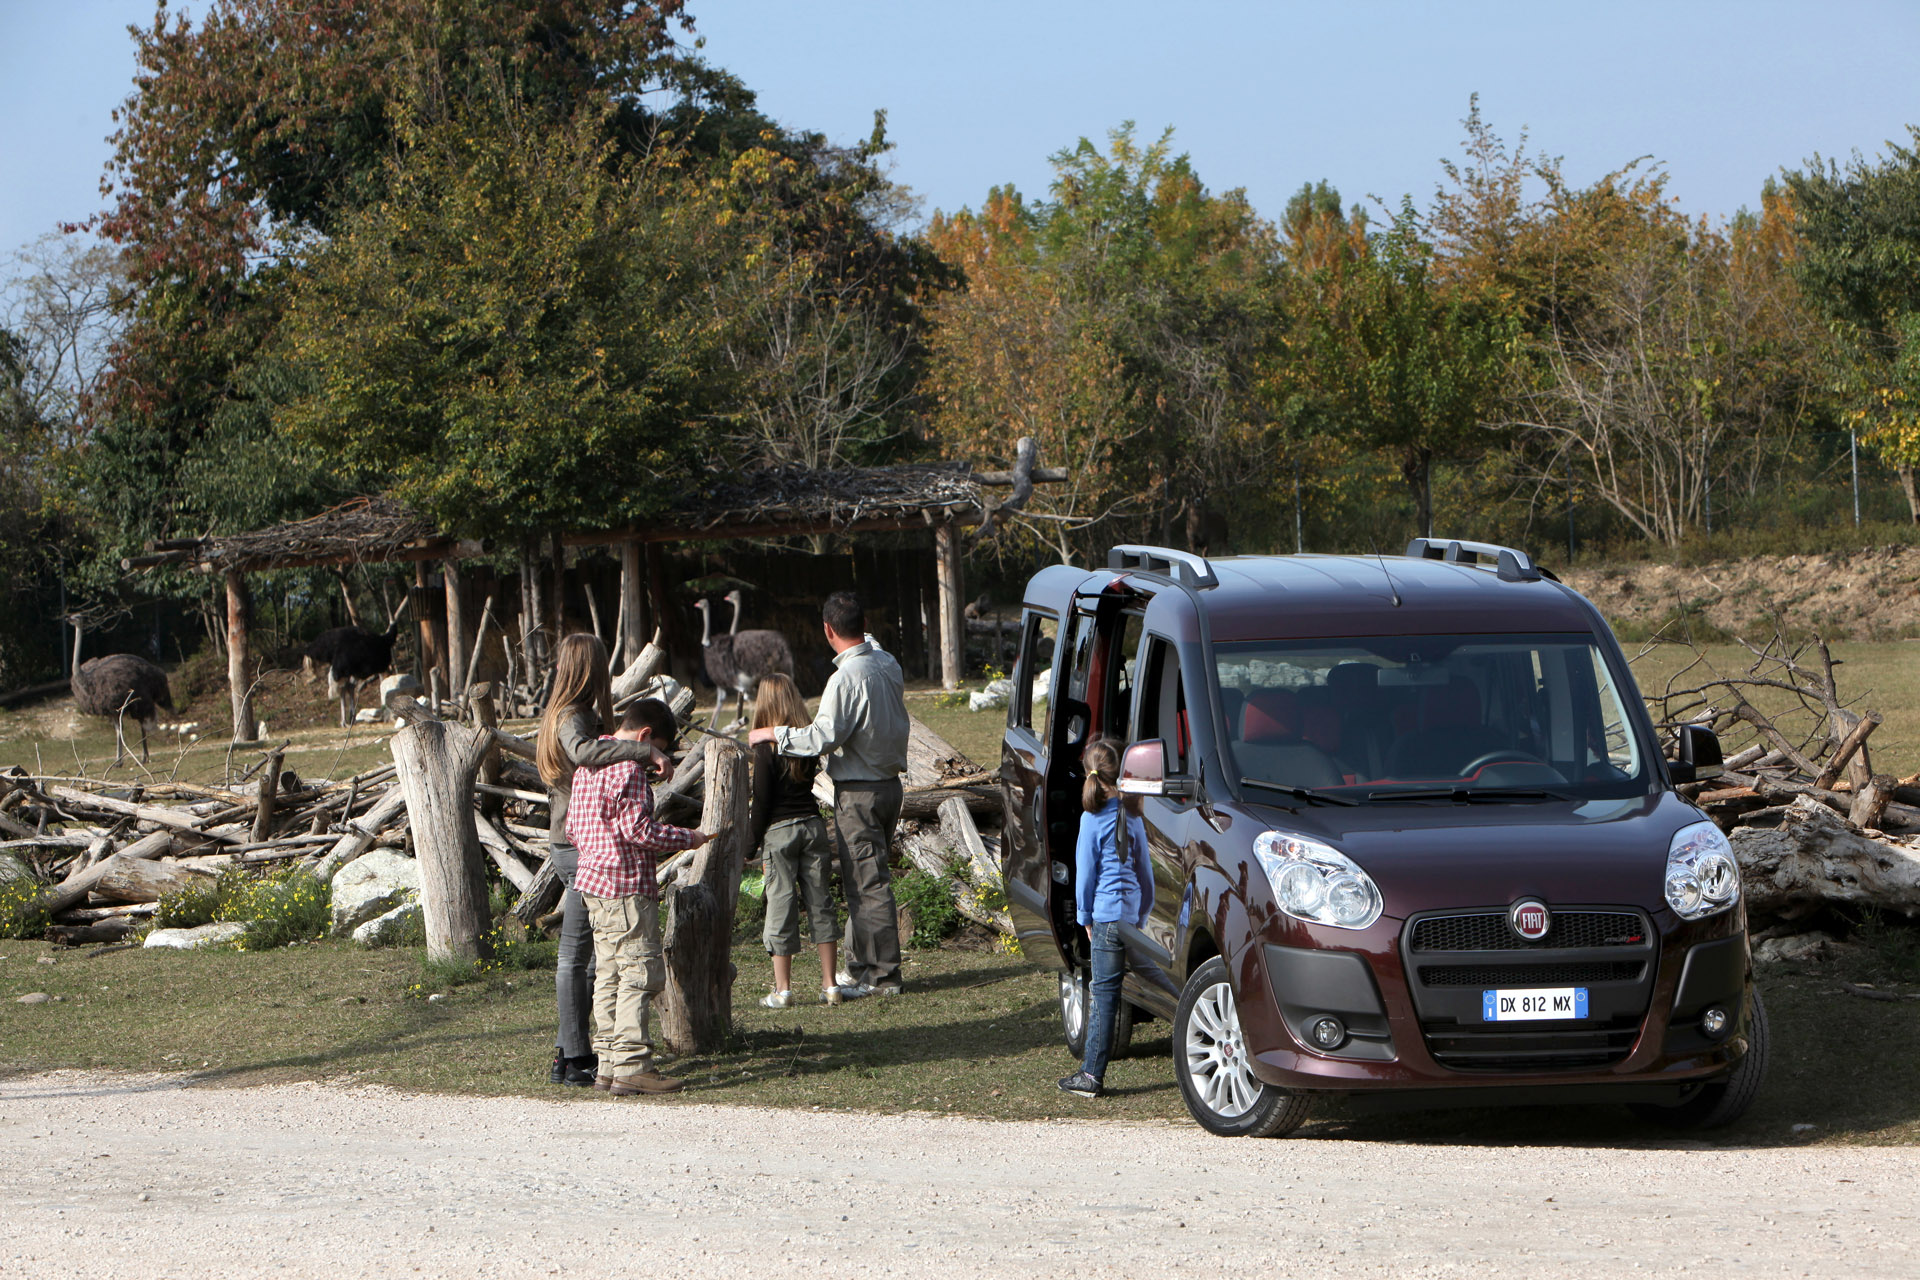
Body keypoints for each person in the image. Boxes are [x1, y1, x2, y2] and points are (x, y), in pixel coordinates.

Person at [748, 590, 908, 999]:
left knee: (867, 885)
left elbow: (823, 736)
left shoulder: (845, 678)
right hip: (890, 787)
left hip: (860, 792)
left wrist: (774, 734)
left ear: (827, 630)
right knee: (869, 878)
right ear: (865, 625)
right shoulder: (886, 663)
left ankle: (881, 976)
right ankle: (862, 965)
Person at [536, 633, 673, 1088]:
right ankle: (577, 1055)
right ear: (589, 668)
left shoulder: (578, 714)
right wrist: (643, 750)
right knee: (584, 956)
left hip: (576, 845)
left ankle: (582, 1052)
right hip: (580, 850)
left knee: (594, 954)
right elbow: (584, 754)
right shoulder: (570, 718)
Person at [566, 697, 709, 1096]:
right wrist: (689, 838)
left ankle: (608, 1064)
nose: (655, 762)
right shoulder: (628, 768)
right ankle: (633, 1064)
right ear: (645, 737)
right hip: (626, 888)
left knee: (609, 976)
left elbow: (572, 829)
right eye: (657, 751)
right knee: (638, 973)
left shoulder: (587, 765)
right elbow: (640, 832)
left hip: (594, 886)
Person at [1058, 738, 1152, 1099]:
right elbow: (1145, 875)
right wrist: (1142, 914)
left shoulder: (1091, 819)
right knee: (1162, 985)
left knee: (1104, 995)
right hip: (1132, 918)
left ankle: (1091, 1075)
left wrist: (1084, 917)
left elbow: (1086, 876)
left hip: (1106, 918)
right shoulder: (1134, 816)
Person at [747, 673, 839, 1008]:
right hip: (812, 826)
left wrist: (749, 846)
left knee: (781, 906)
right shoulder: (807, 743)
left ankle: (783, 990)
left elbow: (762, 802)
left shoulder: (766, 751)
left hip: (780, 832)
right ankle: (830, 985)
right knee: (821, 903)